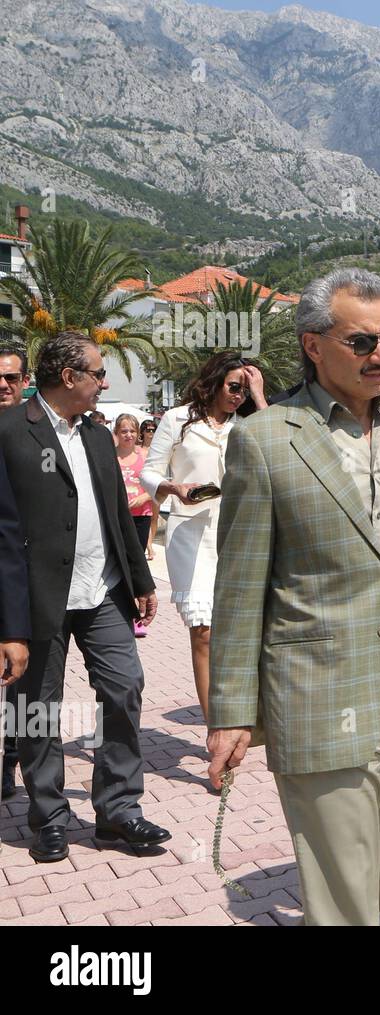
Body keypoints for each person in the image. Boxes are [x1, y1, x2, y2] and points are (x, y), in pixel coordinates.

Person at [207, 268, 380, 926]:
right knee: (342, 889)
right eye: (362, 341)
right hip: (316, 695)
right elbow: (239, 588)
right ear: (314, 345)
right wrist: (232, 713)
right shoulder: (263, 440)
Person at [0, 331, 169, 863]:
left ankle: (118, 811)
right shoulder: (7, 431)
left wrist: (141, 580)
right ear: (69, 378)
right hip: (38, 601)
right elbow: (2, 536)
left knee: (124, 687)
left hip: (104, 593)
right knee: (37, 710)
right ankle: (48, 815)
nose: (105, 382)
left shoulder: (97, 435)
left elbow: (120, 515)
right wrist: (10, 627)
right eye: (98, 373)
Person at [142, 354, 268, 721]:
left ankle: (241, 713)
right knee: (204, 631)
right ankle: (216, 729)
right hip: (190, 536)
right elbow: (149, 473)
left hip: (237, 535)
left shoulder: (247, 425)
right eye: (234, 387)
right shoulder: (177, 419)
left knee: (238, 633)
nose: (238, 396)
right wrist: (173, 486)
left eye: (245, 390)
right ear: (213, 381)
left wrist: (260, 399)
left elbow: (279, 448)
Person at [0, 344, 29, 801]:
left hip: (24, 577)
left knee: (19, 684)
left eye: (12, 377)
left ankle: (9, 761)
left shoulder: (40, 433)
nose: (3, 386)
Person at [114, 414, 152, 638]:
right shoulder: (110, 457)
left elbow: (157, 487)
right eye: (123, 431)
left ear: (138, 433)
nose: (128, 435)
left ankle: (140, 616)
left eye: (132, 431)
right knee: (122, 567)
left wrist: (144, 497)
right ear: (116, 434)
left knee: (138, 568)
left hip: (141, 516)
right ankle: (124, 612)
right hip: (119, 518)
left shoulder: (145, 457)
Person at [138, 417, 159, 559]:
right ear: (143, 432)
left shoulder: (158, 450)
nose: (151, 432)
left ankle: (149, 543)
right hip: (140, 487)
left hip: (155, 486)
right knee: (145, 516)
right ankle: (149, 546)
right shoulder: (137, 449)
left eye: (153, 430)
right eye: (148, 430)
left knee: (154, 517)